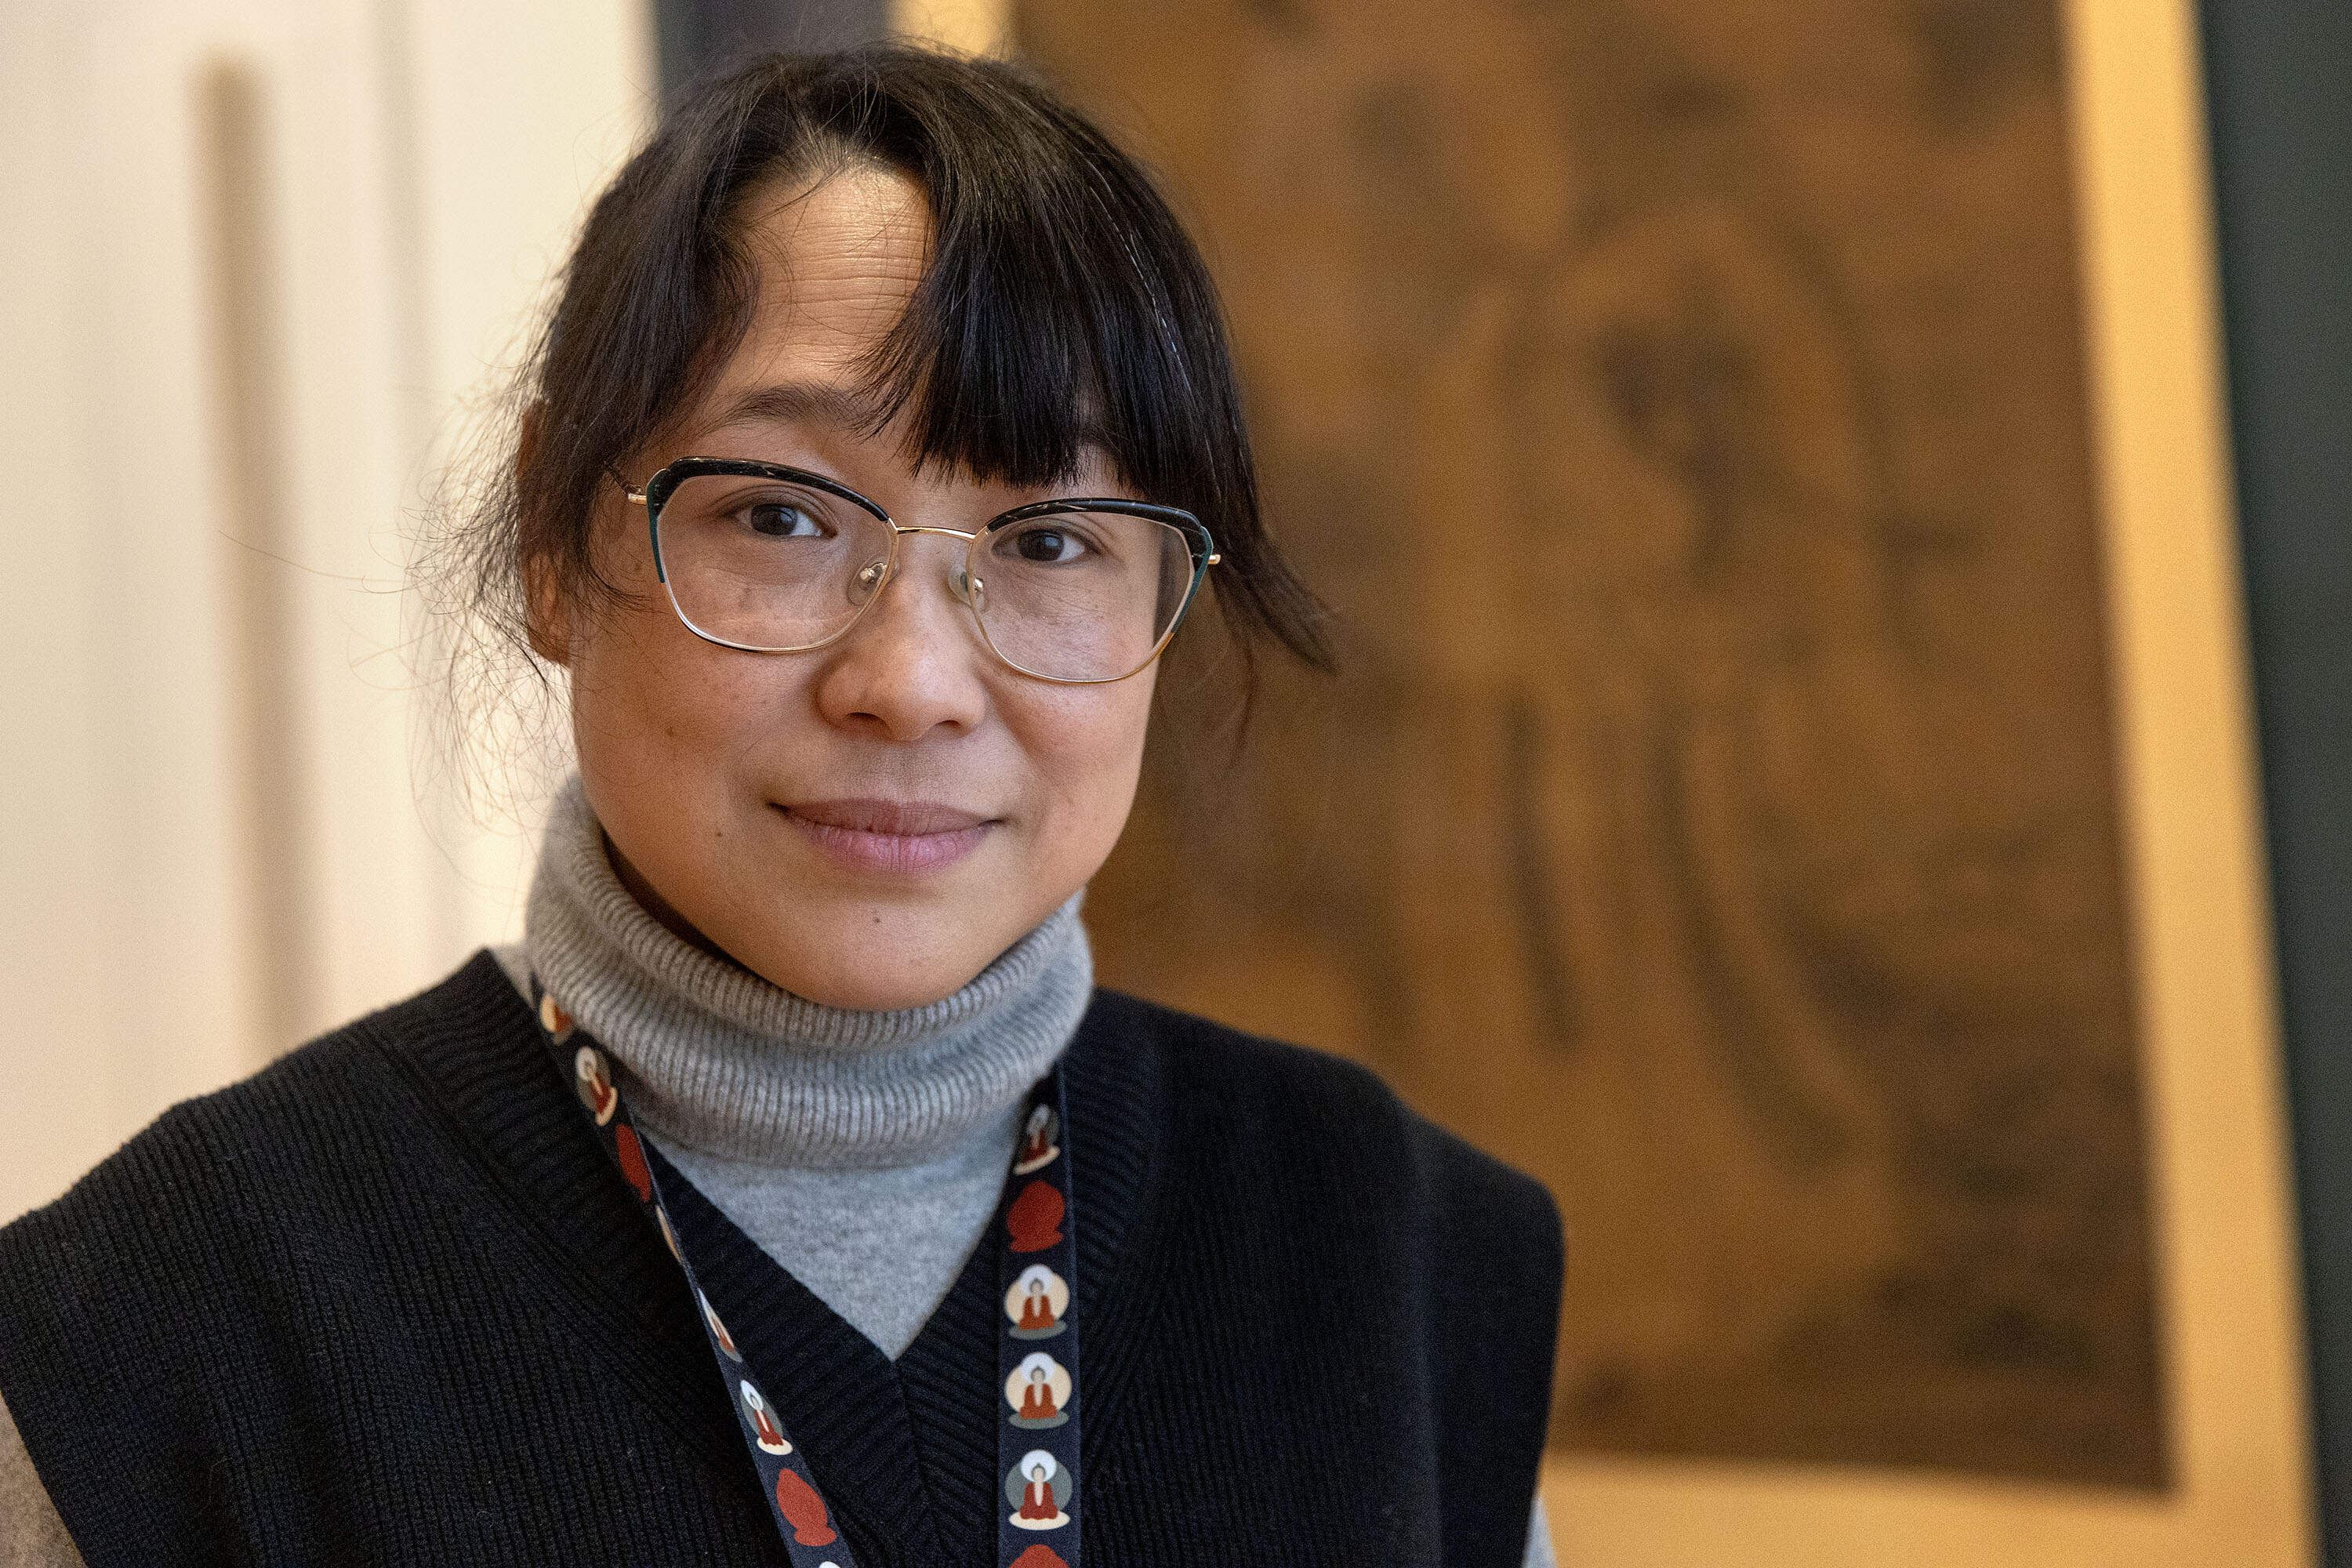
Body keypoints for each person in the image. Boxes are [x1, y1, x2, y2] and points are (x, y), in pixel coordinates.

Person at [0, 45, 1561, 1566]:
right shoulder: (158, 1336)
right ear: (553, 541)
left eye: (1051, 541)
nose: (912, 682)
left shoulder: (1395, 1256)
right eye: (781, 515)